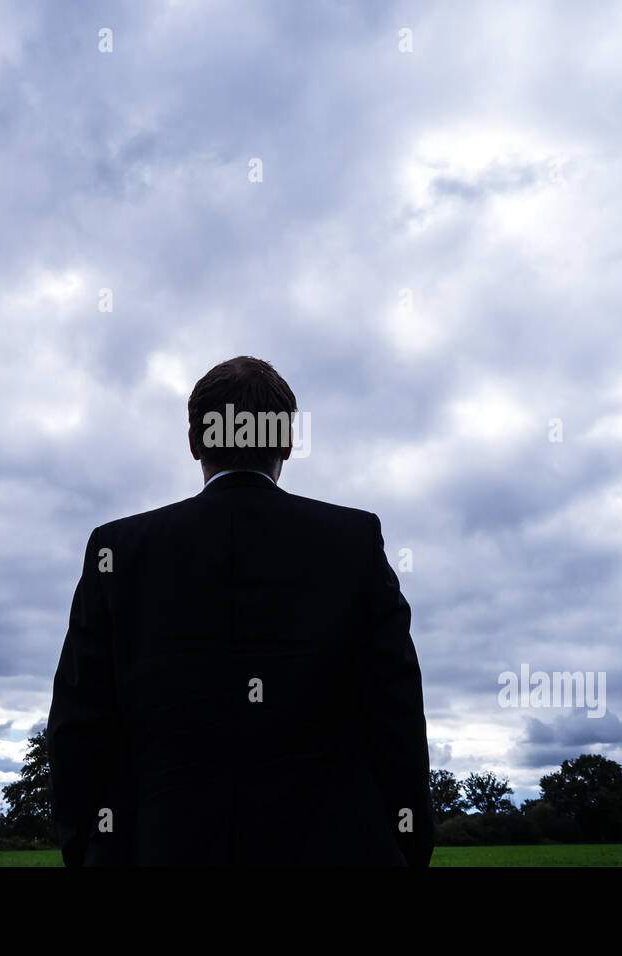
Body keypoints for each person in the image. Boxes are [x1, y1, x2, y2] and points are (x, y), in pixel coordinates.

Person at [47, 356, 433, 865]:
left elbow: (79, 724)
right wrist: (407, 847)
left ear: (193, 443)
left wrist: (87, 849)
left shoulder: (117, 550)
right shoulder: (354, 543)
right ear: (288, 444)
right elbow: (396, 712)